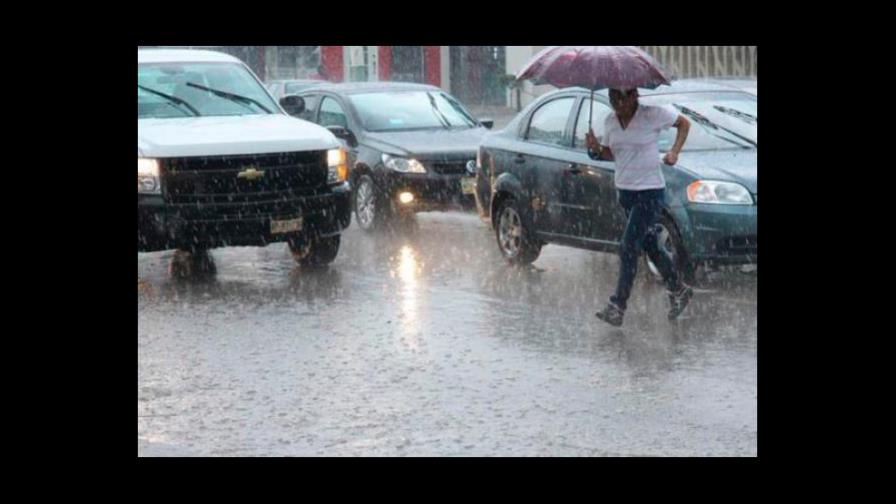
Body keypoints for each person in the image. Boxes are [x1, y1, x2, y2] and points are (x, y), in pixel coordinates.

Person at [585, 87, 693, 327]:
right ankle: (679, 289)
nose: (617, 103)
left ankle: (618, 305)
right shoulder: (610, 122)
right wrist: (594, 147)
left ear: (634, 96)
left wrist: (674, 152)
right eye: (613, 98)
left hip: (650, 192)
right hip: (626, 193)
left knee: (628, 246)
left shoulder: (652, 114)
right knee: (651, 246)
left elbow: (684, 123)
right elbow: (611, 154)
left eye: (622, 98)